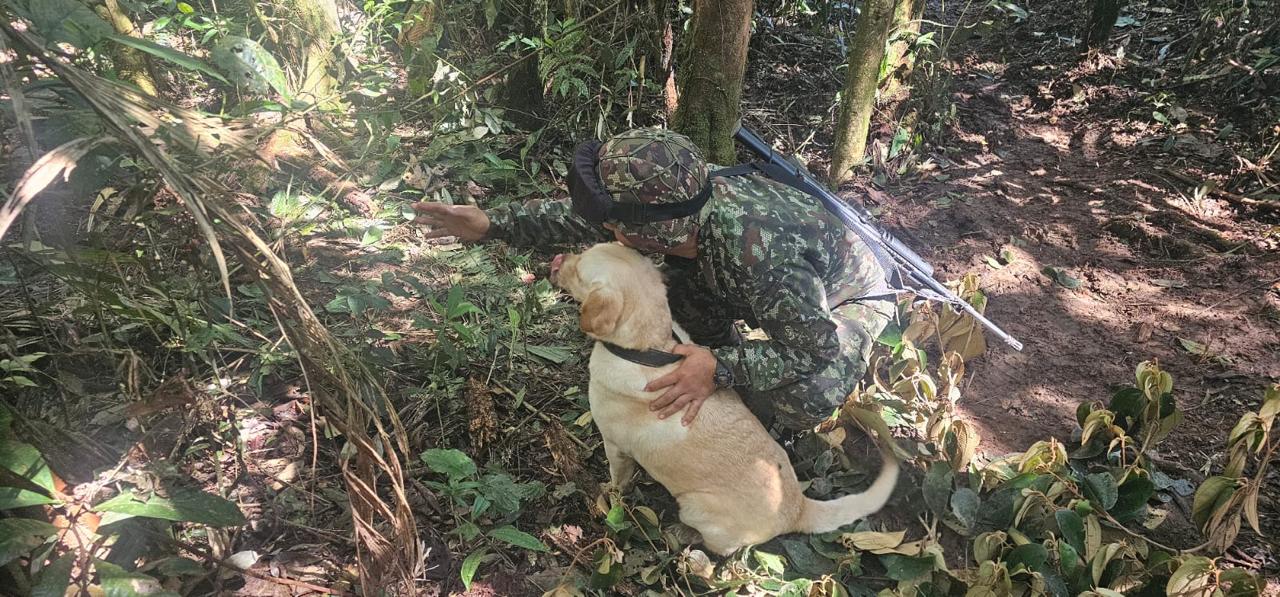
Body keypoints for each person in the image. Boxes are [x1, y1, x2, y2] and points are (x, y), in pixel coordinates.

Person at [412, 128, 894, 432]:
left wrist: (719, 368)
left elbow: (813, 349)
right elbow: (575, 219)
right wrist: (492, 223)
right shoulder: (680, 204)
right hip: (750, 282)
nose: (605, 226)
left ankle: (745, 395)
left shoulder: (761, 256)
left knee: (805, 393)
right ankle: (717, 356)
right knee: (670, 288)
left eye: (614, 220)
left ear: (651, 230)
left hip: (850, 297)